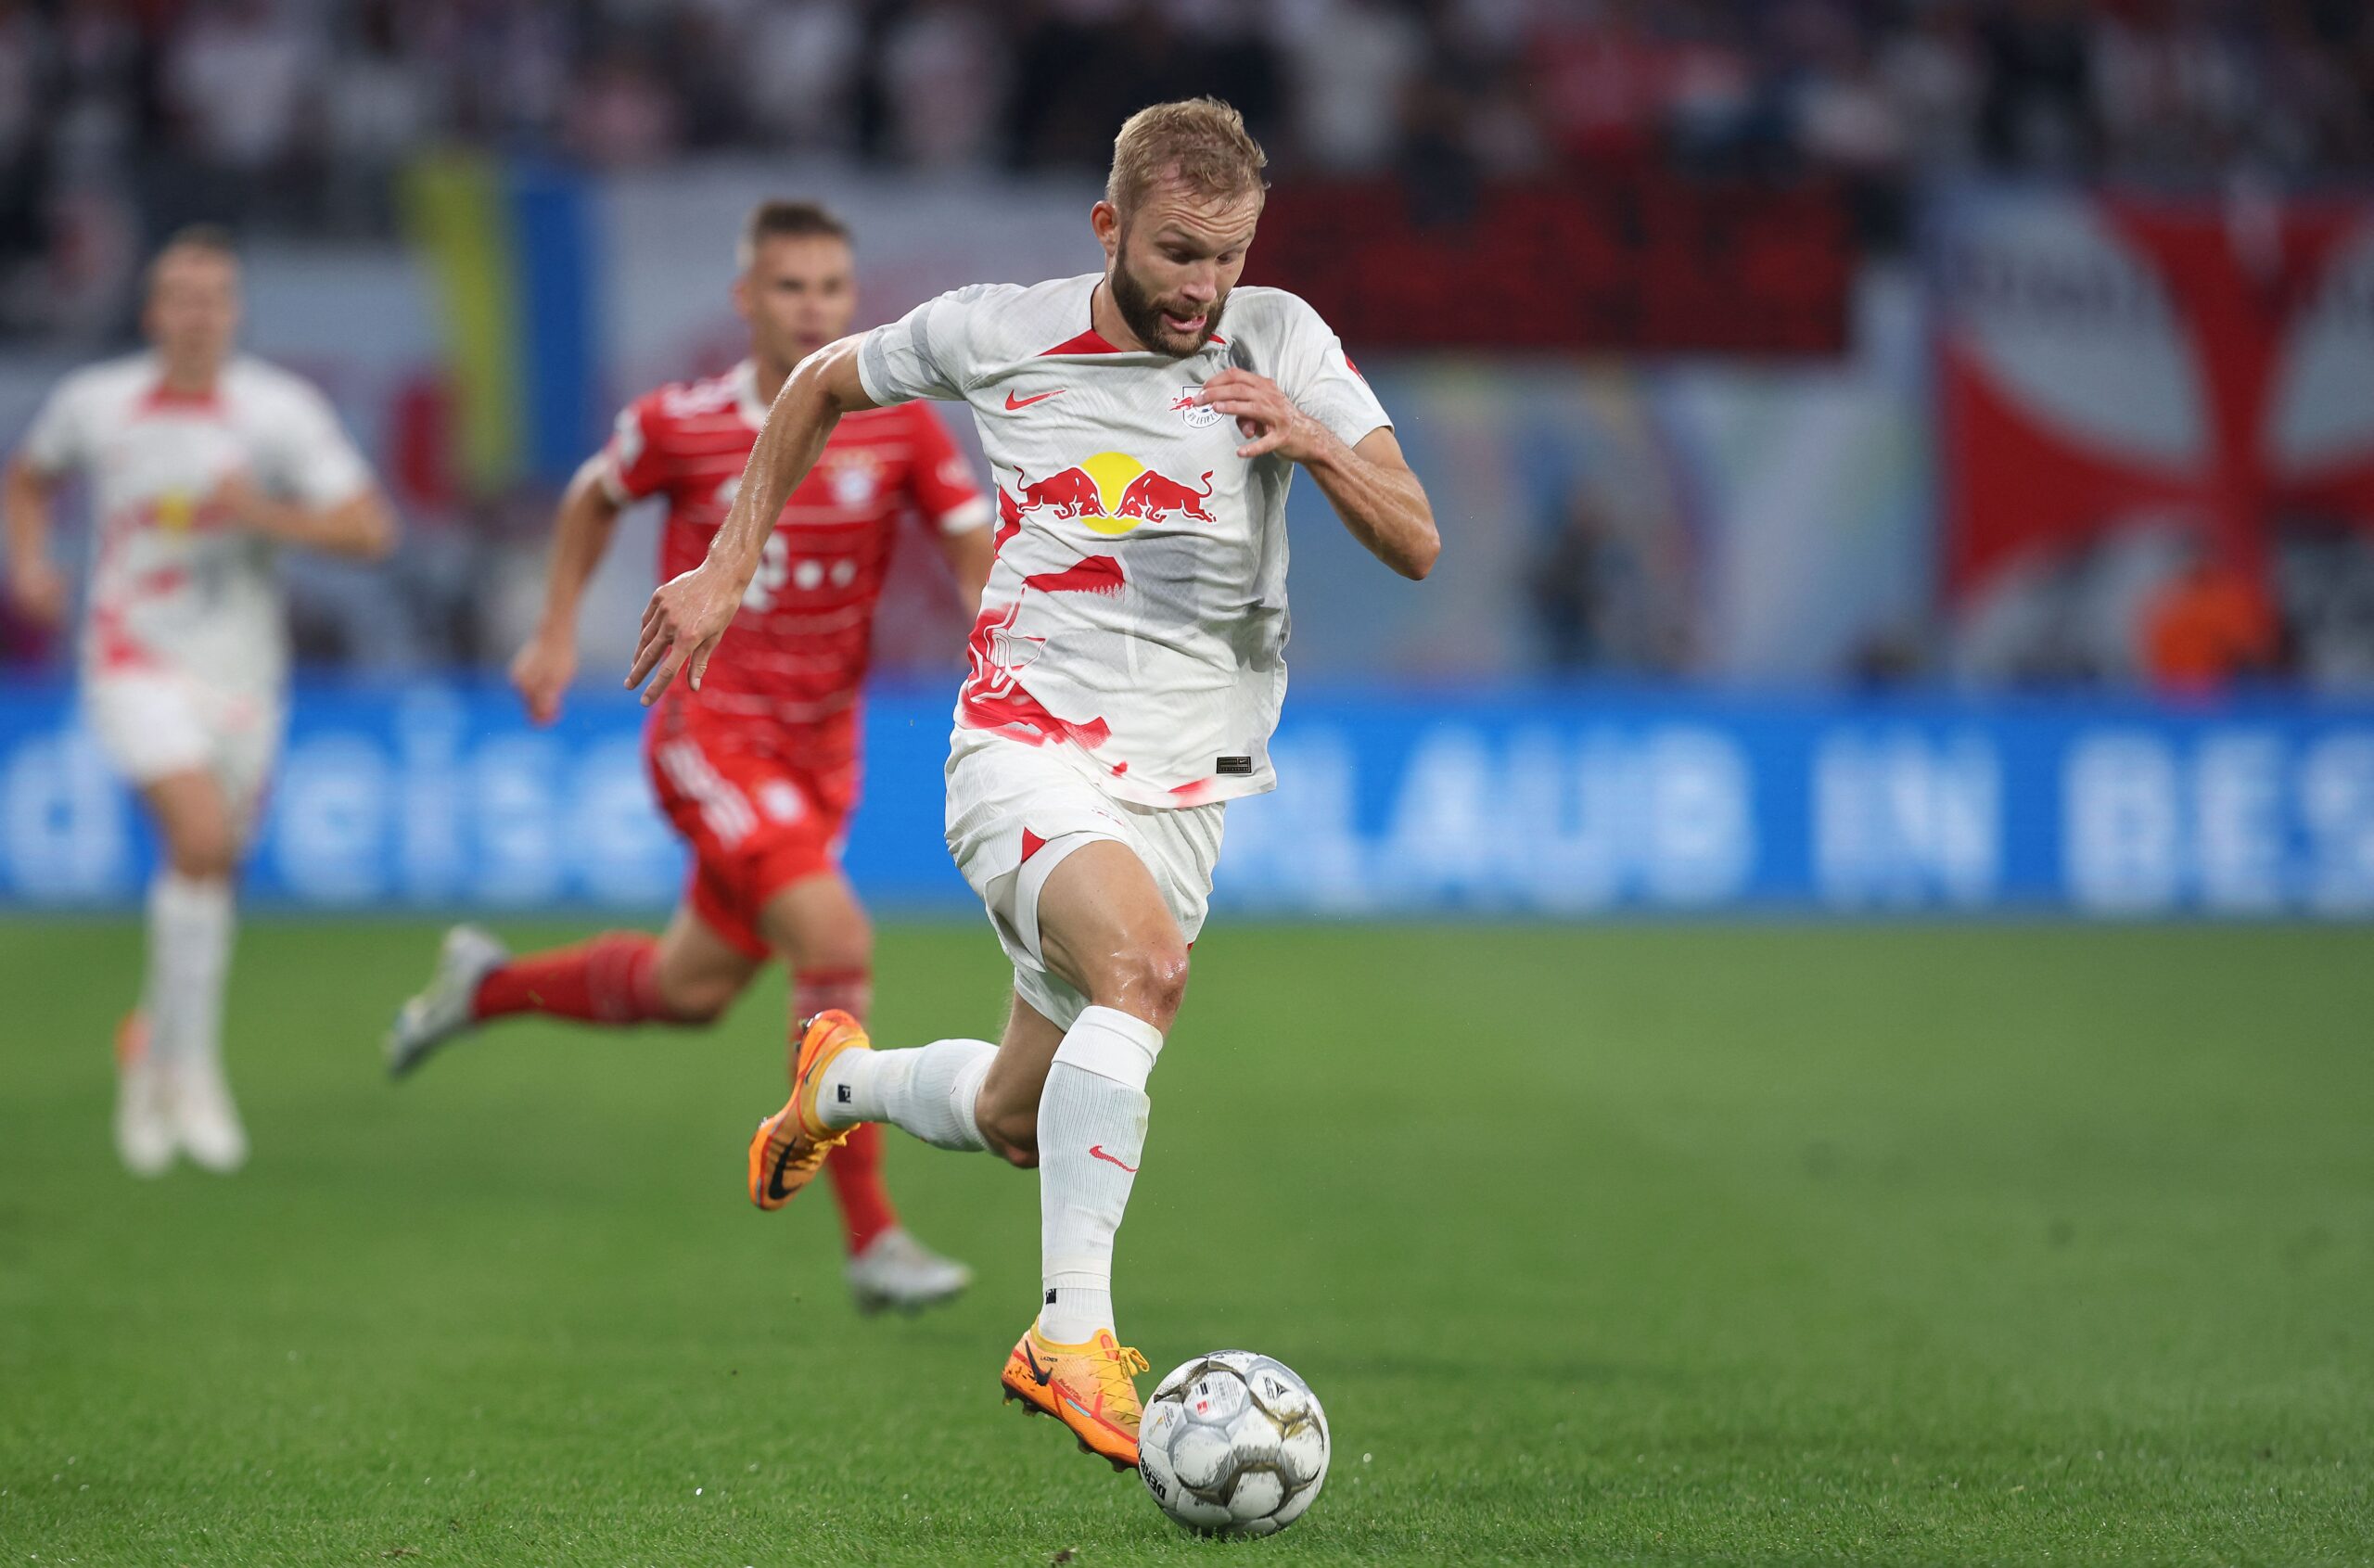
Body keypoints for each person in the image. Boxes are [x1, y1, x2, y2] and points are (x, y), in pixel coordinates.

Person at [629, 100, 1438, 1468]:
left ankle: (840, 1083)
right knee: (1148, 972)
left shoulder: (1282, 339)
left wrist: (1308, 434)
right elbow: (821, 377)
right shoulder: (999, 330)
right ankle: (1068, 1332)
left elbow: (1416, 537)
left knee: (1017, 1114)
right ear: (1109, 227)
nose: (1203, 288)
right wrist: (726, 562)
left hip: (1189, 786)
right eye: (1178, 252)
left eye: (1229, 257)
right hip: (1026, 746)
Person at [387, 200, 989, 1316]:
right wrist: (557, 626)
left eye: (829, 289)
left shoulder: (896, 425)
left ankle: (487, 984)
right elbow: (590, 495)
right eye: (790, 287)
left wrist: (984, 608)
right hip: (706, 730)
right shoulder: (683, 421)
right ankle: (874, 1238)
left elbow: (964, 531)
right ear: (745, 300)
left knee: (688, 988)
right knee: (836, 933)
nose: (812, 307)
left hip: (821, 750)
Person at [3, 225, 398, 1175]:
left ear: (234, 312)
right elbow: (28, 476)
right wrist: (30, 562)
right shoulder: (97, 403)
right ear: (151, 314)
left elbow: (369, 528)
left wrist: (262, 513)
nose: (197, 313)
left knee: (214, 871)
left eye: (214, 295)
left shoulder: (277, 413)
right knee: (198, 837)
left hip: (243, 677)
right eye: (180, 295)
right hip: (130, 657)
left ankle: (155, 1056)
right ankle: (196, 1068)